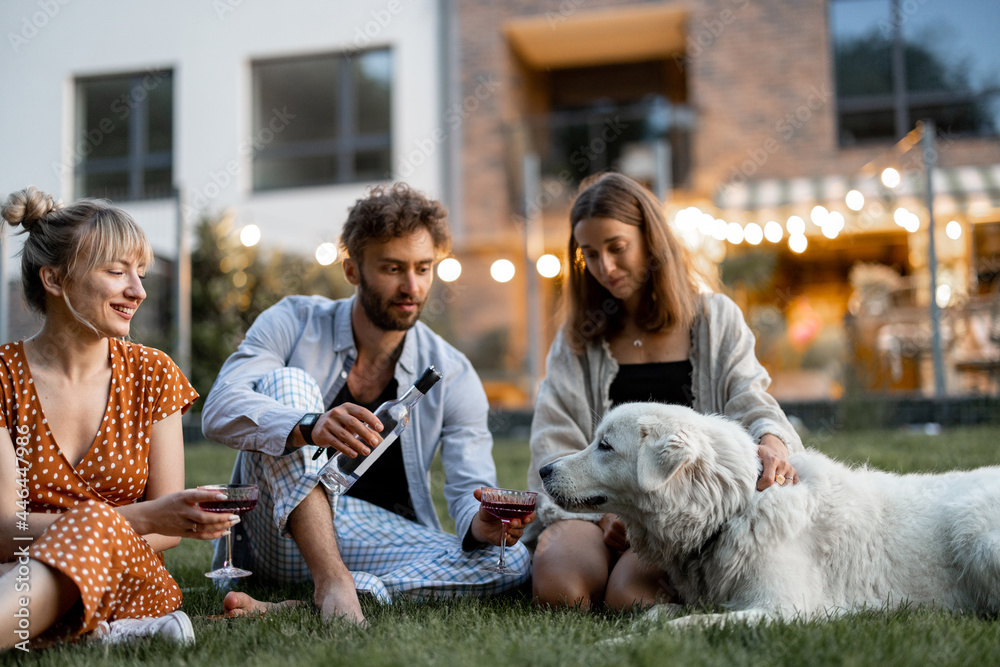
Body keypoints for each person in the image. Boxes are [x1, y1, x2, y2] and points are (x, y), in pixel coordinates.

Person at [201, 183, 533, 626]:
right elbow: (219, 408)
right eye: (393, 268)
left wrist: (483, 525)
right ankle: (333, 580)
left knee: (510, 561)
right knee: (289, 383)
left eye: (423, 268)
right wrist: (310, 425)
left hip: (372, 535)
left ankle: (323, 599)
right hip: (273, 534)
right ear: (352, 270)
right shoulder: (292, 321)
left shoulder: (451, 372)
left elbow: (470, 488)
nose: (411, 287)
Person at [527, 172, 803, 611]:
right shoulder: (577, 339)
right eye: (590, 255)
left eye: (617, 248)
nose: (606, 268)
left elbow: (750, 400)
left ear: (652, 241)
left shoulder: (715, 319)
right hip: (593, 505)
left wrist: (771, 441)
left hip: (675, 513)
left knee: (628, 597)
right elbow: (553, 442)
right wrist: (604, 516)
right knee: (561, 588)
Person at [0, 187, 236, 650]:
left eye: (141, 274)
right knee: (82, 528)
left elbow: (170, 532)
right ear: (54, 280)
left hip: (129, 573)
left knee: (90, 524)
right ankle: (91, 632)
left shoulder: (153, 374)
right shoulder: (2, 376)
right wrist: (136, 518)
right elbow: (6, 529)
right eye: (116, 272)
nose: (138, 290)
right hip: (16, 564)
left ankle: (70, 627)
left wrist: (98, 535)